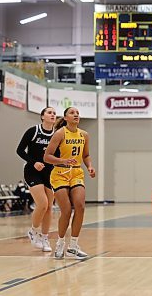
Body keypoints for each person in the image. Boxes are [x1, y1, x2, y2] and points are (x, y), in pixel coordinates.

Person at [44, 107, 95, 260]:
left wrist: (90, 166)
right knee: (66, 210)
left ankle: (73, 245)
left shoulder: (84, 135)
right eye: (72, 113)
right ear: (65, 117)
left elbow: (86, 155)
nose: (76, 115)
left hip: (76, 172)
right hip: (59, 173)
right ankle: (60, 243)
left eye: (78, 113)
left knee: (80, 206)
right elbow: (47, 157)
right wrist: (63, 161)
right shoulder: (59, 134)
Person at [16, 107, 57, 252]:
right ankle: (33, 231)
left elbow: (57, 155)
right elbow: (19, 150)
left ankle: (45, 238)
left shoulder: (57, 135)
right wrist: (33, 162)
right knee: (43, 203)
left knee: (49, 208)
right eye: (49, 112)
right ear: (42, 116)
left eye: (54, 113)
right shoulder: (33, 131)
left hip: (49, 173)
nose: (52, 114)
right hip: (33, 171)